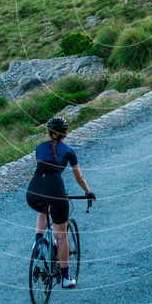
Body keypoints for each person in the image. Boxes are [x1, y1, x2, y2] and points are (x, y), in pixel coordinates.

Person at [26, 116, 95, 289]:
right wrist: (88, 192)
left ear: (49, 133)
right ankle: (65, 278)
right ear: (66, 133)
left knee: (43, 210)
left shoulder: (39, 147)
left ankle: (38, 241)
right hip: (54, 190)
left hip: (33, 190)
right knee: (61, 235)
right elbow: (79, 177)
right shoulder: (69, 150)